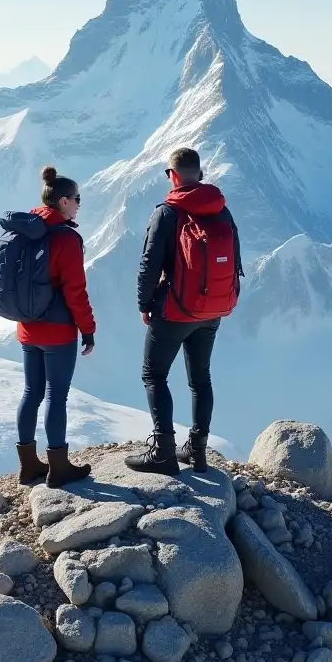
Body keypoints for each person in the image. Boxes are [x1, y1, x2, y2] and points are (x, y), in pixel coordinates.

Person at [126, 147, 242, 474]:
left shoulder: (167, 212)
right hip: (212, 309)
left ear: (172, 176)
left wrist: (144, 304)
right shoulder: (222, 209)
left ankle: (163, 452)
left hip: (175, 311)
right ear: (200, 173)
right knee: (200, 379)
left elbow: (149, 264)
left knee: (154, 374)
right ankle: (197, 450)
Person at [9, 166, 96, 487]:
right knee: (56, 396)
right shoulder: (66, 238)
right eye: (76, 199)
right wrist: (87, 329)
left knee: (31, 392)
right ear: (62, 201)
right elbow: (75, 291)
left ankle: (29, 465)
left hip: (27, 326)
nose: (78, 204)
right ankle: (59, 468)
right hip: (58, 332)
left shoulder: (26, 230)